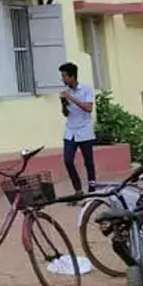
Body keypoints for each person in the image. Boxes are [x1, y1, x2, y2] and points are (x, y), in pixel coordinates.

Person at [58, 62, 97, 193]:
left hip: (85, 129)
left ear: (72, 76)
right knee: (68, 161)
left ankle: (92, 186)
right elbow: (66, 113)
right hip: (70, 131)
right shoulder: (65, 92)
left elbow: (88, 108)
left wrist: (71, 98)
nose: (63, 79)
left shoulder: (86, 89)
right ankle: (78, 189)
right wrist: (63, 103)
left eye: (64, 76)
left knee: (88, 161)